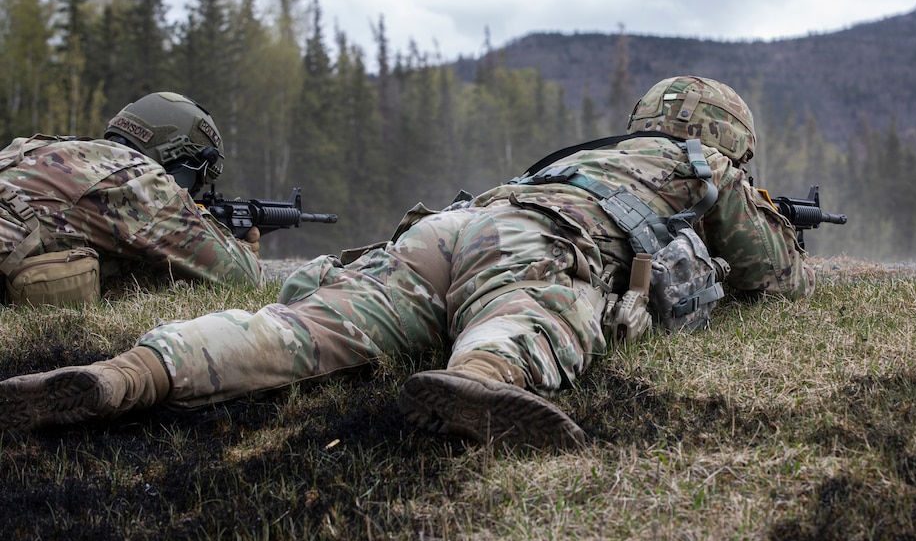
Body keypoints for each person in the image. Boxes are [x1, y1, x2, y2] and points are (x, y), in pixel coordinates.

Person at [0, 76, 813, 447]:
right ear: (730, 140)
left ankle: (125, 375)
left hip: (447, 227)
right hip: (538, 241)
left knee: (299, 325)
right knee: (529, 311)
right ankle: (482, 383)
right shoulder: (704, 165)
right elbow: (773, 274)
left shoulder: (579, 156)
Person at [0, 92, 261, 304]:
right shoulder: (137, 178)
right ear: (178, 157)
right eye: (196, 180)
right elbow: (245, 277)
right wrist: (233, 244)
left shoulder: (45, 147)